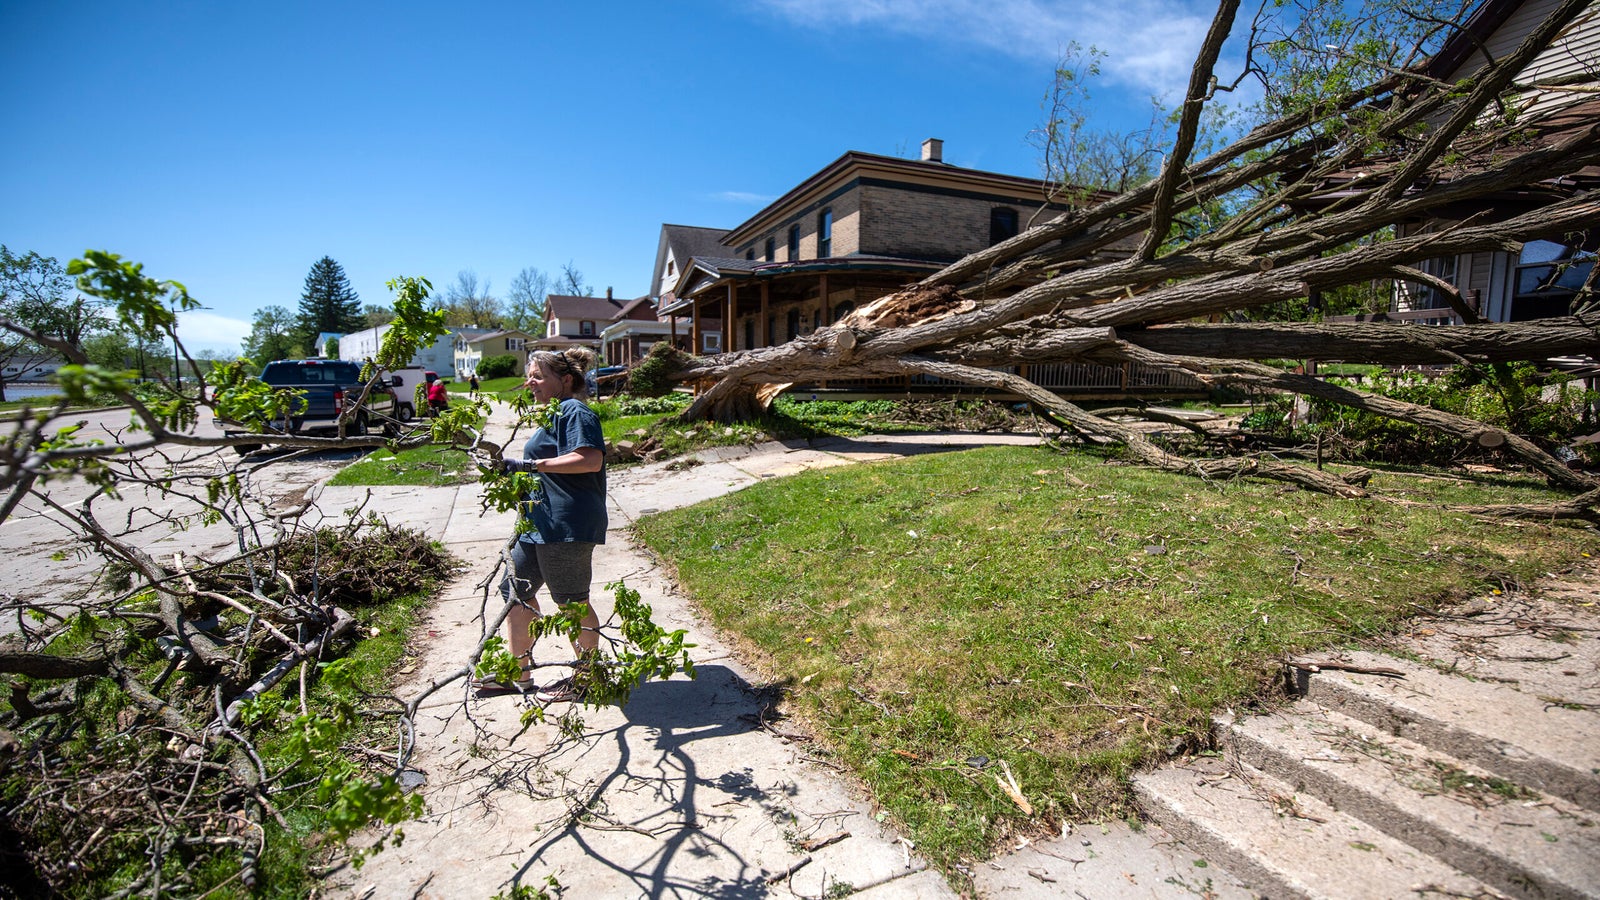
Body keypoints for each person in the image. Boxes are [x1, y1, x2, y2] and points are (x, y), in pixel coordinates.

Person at [486, 347, 605, 702]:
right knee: (515, 592)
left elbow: (590, 459)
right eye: (530, 376)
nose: (530, 383)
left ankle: (588, 678)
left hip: (564, 524)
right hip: (538, 523)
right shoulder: (553, 413)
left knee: (572, 602)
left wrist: (529, 466)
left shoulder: (574, 410)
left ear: (565, 380)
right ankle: (518, 673)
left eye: (538, 376)